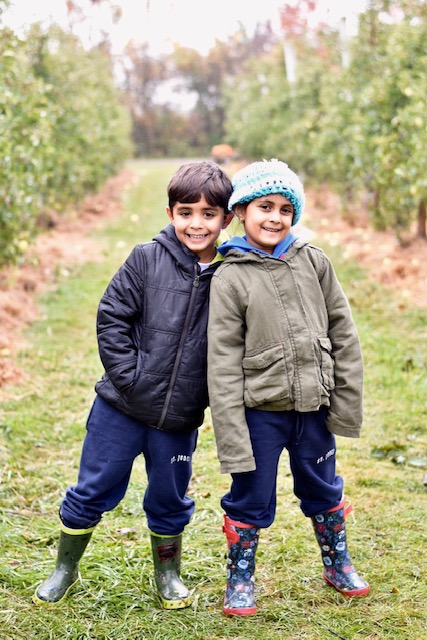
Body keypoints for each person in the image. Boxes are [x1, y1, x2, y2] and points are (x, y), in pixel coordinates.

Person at [33, 160, 233, 609]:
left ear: (226, 219)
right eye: (186, 212)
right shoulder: (146, 258)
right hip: (120, 408)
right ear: (170, 213)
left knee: (169, 496)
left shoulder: (229, 274)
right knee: (93, 488)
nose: (196, 224)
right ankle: (65, 568)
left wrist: (201, 395)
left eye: (208, 214)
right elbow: (112, 318)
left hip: (178, 418)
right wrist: (131, 379)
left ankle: (168, 574)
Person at [207, 159, 370, 617]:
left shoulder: (314, 262)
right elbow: (221, 363)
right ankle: (241, 576)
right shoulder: (229, 277)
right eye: (264, 206)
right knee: (250, 494)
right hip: (260, 412)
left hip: (314, 406)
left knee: (323, 485)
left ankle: (337, 563)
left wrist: (344, 405)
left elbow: (344, 333)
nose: (275, 217)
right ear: (241, 211)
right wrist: (232, 437)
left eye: (285, 208)